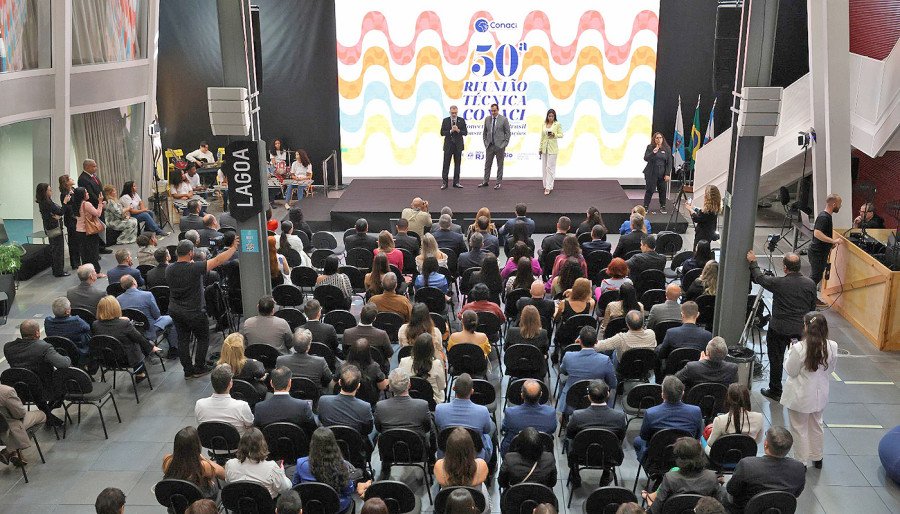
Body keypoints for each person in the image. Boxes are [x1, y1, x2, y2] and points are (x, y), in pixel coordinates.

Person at [746, 251, 817, 402]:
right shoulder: (810, 284)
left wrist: (753, 262)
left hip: (779, 329)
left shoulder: (778, 283)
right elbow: (812, 308)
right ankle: (801, 389)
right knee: (800, 359)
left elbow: (760, 278)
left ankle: (775, 389)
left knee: (776, 359)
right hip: (799, 331)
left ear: (785, 268)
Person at [167, 238, 237, 377]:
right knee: (203, 338)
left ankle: (187, 370)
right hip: (194, 311)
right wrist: (233, 248)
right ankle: (199, 367)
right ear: (191, 253)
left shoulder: (169, 269)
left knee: (183, 339)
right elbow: (217, 261)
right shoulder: (194, 268)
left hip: (175, 309)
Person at [782, 312, 837, 468]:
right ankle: (817, 457)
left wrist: (789, 352)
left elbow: (791, 371)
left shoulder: (799, 348)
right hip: (820, 394)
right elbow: (831, 368)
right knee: (816, 424)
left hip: (800, 396)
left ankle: (801, 461)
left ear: (806, 326)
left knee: (799, 428)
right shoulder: (832, 346)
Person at [724, 426, 806, 513]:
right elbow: (796, 494)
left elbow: (731, 490)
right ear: (789, 448)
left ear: (766, 444)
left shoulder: (747, 465)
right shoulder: (799, 468)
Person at [294, 427, 371, 513]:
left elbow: (296, 487)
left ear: (312, 444)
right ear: (333, 444)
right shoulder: (341, 465)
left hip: (310, 506)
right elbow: (348, 491)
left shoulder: (300, 463)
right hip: (337, 507)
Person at [565, 379, 626, 487]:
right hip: (609, 456)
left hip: (581, 455)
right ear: (608, 395)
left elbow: (569, 434)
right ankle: (606, 472)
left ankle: (575, 473)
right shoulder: (619, 417)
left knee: (568, 442)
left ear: (588, 396)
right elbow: (620, 438)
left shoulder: (577, 415)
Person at [374, 368, 434, 477]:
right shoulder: (422, 405)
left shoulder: (380, 406)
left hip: (389, 452)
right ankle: (432, 461)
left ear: (390, 387)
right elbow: (427, 428)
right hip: (417, 452)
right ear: (409, 385)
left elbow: (378, 429)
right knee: (432, 430)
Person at [640, 437, 721, 514]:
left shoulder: (670, 478)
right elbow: (718, 508)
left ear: (679, 459)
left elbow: (656, 510)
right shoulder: (712, 477)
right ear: (701, 455)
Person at [633, 376, 703, 461]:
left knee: (637, 441)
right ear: (683, 393)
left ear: (662, 394)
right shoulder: (696, 411)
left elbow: (644, 437)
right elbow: (698, 437)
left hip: (658, 457)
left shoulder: (651, 413)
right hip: (685, 456)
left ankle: (650, 468)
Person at [93, 295, 160, 376]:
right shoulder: (124, 324)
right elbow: (139, 338)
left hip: (107, 360)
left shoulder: (95, 324)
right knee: (136, 342)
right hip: (126, 360)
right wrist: (152, 347)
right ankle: (140, 373)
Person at [435, 374, 495, 460]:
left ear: (453, 389)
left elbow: (439, 428)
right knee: (491, 429)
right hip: (474, 456)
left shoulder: (440, 409)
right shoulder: (483, 411)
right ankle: (491, 467)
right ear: (472, 391)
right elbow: (487, 430)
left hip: (447, 455)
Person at [559, 326, 617, 412]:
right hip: (598, 400)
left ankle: (563, 413)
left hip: (572, 401)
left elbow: (563, 371)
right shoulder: (605, 360)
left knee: (563, 381)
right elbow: (613, 384)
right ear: (596, 342)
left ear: (580, 341)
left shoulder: (568, 356)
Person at [117, 275, 177, 357]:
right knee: (172, 319)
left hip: (133, 330)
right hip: (149, 329)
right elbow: (157, 315)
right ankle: (174, 348)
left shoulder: (118, 299)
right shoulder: (147, 295)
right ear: (134, 282)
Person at [226, 427, 292, 498]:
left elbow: (228, 481)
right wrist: (282, 473)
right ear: (263, 445)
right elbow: (285, 489)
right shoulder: (271, 468)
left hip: (239, 505)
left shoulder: (230, 464)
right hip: (266, 507)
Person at [162, 426, 225, 500]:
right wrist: (204, 458)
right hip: (200, 500)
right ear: (197, 446)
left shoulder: (167, 459)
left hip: (179, 499)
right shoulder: (203, 466)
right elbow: (224, 475)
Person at [655, 301, 712, 377]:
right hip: (697, 375)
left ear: (682, 314)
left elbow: (662, 354)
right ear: (697, 314)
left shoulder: (671, 332)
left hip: (673, 375)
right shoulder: (707, 335)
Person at [500, 379, 556, 455]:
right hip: (541, 452)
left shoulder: (510, 413)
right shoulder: (550, 413)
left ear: (522, 395)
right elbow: (552, 429)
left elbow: (504, 428)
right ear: (541, 394)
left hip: (514, 452)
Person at [194, 364, 254, 435]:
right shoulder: (242, 406)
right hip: (238, 444)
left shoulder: (199, 404)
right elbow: (250, 425)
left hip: (211, 444)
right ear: (230, 384)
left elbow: (200, 426)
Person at [317, 365, 375, 438]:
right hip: (354, 444)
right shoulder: (365, 407)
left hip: (330, 439)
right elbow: (368, 430)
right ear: (358, 386)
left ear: (339, 382)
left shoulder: (323, 400)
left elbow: (321, 419)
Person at [253, 366, 317, 431]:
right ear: (290, 383)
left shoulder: (259, 408)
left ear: (271, 383)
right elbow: (313, 428)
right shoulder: (303, 406)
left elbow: (257, 429)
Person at [705, 384, 764, 454]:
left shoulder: (719, 420)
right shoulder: (759, 417)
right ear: (747, 399)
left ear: (728, 400)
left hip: (723, 457)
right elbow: (758, 441)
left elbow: (711, 443)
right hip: (746, 455)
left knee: (703, 441)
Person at [0, 383, 46, 467]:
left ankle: (12, 451)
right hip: (8, 428)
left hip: (2, 428)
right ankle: (12, 450)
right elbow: (19, 414)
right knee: (42, 415)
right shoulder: (6, 391)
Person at [434, 426, 490, 492]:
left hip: (448, 500)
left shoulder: (439, 466)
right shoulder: (481, 465)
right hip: (475, 500)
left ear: (448, 449)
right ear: (471, 448)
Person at [398, 332, 446, 404]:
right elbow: (442, 386)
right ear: (431, 349)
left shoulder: (403, 361)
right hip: (431, 402)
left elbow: (400, 383)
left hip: (409, 400)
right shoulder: (437, 364)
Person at [809, 193, 844, 289]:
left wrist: (830, 244)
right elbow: (817, 233)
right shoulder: (824, 217)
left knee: (817, 276)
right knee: (815, 277)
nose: (840, 206)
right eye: (839, 204)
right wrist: (833, 241)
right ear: (834, 204)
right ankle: (808, 297)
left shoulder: (826, 216)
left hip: (820, 252)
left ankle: (810, 297)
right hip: (817, 252)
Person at [218, 333, 267, 399]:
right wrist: (255, 361)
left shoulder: (219, 366)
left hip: (228, 394)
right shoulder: (251, 364)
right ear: (241, 349)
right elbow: (261, 373)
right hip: (251, 395)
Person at [341, 339, 389, 406]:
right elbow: (382, 386)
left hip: (345, 403)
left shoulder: (343, 366)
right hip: (370, 403)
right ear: (368, 353)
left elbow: (333, 385)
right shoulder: (374, 367)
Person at [36, 182, 69, 277]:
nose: (51, 192)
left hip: (50, 228)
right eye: (49, 190)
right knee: (58, 250)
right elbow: (60, 211)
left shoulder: (44, 202)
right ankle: (59, 271)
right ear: (45, 192)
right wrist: (65, 202)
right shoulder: (47, 203)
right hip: (54, 229)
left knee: (55, 249)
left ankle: (57, 269)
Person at [74, 186, 105, 276]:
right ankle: (97, 272)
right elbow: (98, 213)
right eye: (86, 192)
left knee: (84, 254)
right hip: (88, 231)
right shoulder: (86, 204)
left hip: (79, 231)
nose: (88, 194)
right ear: (82, 195)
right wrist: (100, 203)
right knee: (93, 253)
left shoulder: (75, 204)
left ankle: (86, 273)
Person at [480, 103, 511, 189]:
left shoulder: (504, 120)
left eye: (494, 111)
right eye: (491, 111)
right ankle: (485, 181)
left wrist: (504, 144)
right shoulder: (487, 119)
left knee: (499, 165)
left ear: (498, 110)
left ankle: (498, 183)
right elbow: (484, 132)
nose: (493, 112)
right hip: (489, 146)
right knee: (487, 165)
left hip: (500, 146)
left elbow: (508, 133)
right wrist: (486, 142)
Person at [642, 131, 673, 213]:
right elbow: (646, 158)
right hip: (651, 172)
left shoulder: (667, 148)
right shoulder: (650, 147)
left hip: (662, 173)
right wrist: (653, 152)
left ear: (662, 139)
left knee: (662, 190)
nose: (659, 139)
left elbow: (669, 162)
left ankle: (663, 206)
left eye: (660, 138)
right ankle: (645, 206)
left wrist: (667, 174)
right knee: (650, 190)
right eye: (657, 138)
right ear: (654, 139)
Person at [441, 105, 467, 189]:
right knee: (446, 165)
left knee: (457, 165)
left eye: (455, 113)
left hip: (458, 146)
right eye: (452, 113)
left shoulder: (461, 120)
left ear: (457, 112)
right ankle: (445, 183)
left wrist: (458, 130)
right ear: (450, 112)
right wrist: (451, 131)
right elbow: (442, 133)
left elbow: (465, 132)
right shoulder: (445, 120)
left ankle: (456, 182)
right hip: (448, 146)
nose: (454, 114)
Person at [59, 174, 82, 269]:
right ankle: (75, 263)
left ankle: (78, 260)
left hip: (75, 218)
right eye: (70, 179)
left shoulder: (73, 190)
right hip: (71, 220)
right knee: (73, 242)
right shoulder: (65, 194)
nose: (72, 179)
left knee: (77, 241)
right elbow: (68, 207)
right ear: (66, 182)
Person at [538, 108, 563, 194]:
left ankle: (548, 187)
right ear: (547, 116)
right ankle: (546, 185)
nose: (550, 118)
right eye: (549, 116)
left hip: (553, 149)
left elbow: (561, 134)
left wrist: (554, 134)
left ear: (554, 116)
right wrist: (540, 149)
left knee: (550, 168)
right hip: (545, 148)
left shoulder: (557, 124)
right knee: (544, 167)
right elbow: (542, 137)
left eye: (552, 116)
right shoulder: (544, 124)